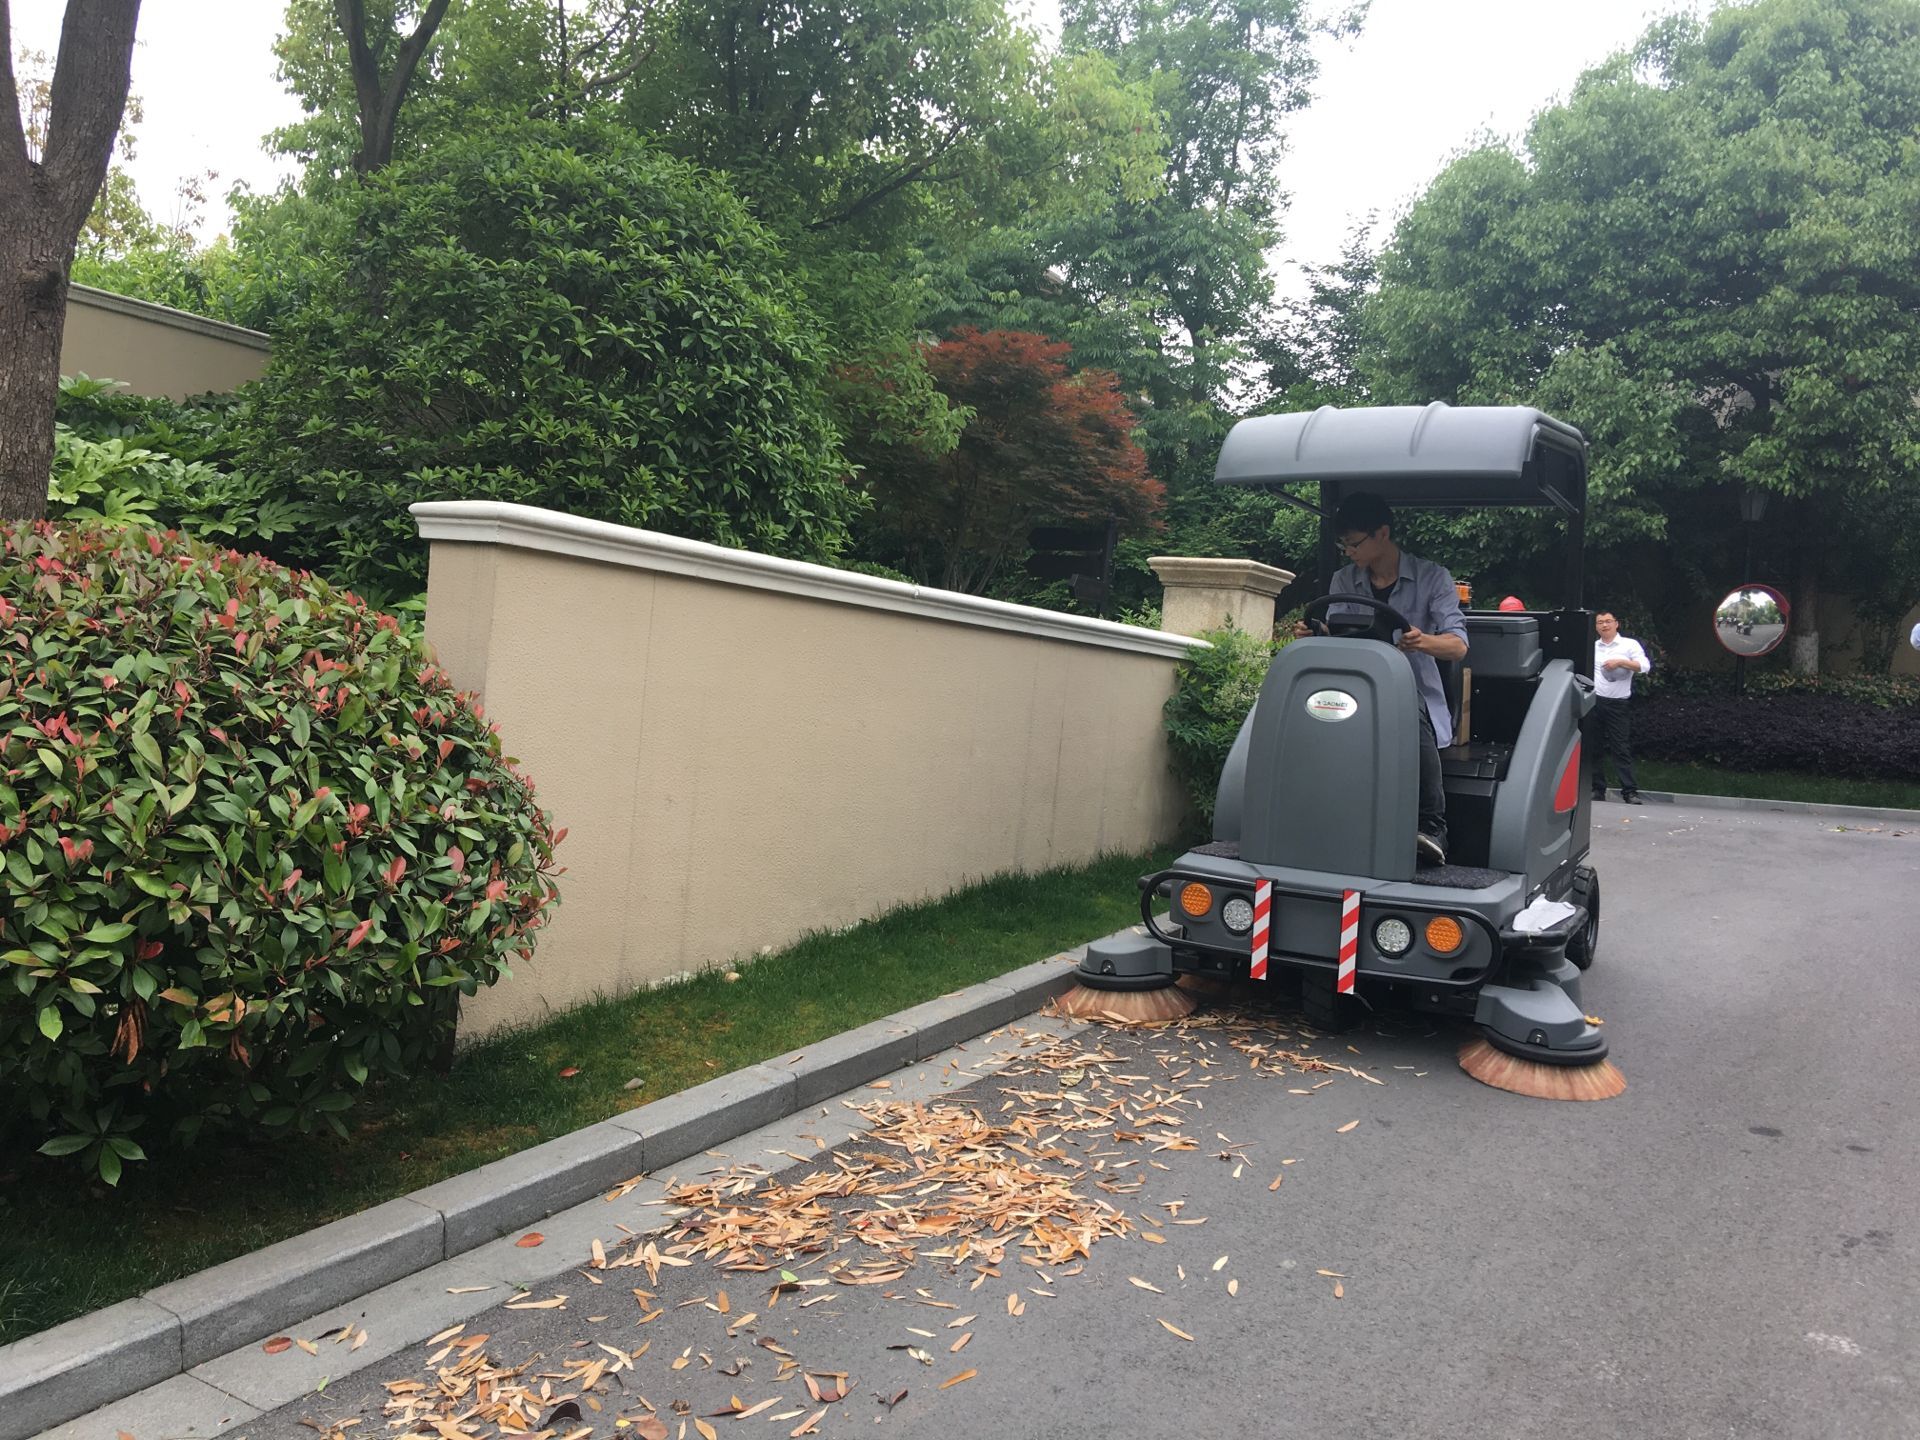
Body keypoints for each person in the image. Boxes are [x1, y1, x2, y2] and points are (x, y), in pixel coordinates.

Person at [1294, 492, 1468, 867]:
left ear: (1383, 534)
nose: (1348, 552)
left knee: (1406, 701)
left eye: (1354, 543)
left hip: (1413, 697)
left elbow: (1457, 646)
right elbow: (1338, 632)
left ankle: (1432, 827)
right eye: (1343, 545)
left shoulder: (1433, 578)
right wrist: (1316, 632)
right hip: (1356, 690)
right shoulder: (1344, 579)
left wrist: (1422, 642)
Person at [1589, 611, 1651, 804]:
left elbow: (1645, 666)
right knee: (1594, 747)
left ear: (1617, 624)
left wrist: (1621, 662)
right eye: (1600, 622)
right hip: (1595, 701)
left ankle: (1630, 791)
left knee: (1621, 748)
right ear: (1596, 626)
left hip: (1618, 704)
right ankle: (1597, 789)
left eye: (1608, 621)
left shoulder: (1629, 645)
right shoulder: (1593, 647)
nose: (1604, 625)